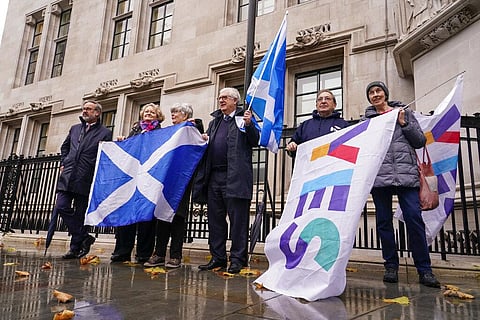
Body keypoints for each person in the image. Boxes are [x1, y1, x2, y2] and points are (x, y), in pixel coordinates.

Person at [363, 81, 440, 288]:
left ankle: (424, 270)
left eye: (378, 91)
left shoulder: (404, 113)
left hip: (407, 177)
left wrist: (404, 123)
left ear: (385, 94)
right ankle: (391, 266)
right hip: (380, 179)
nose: (375, 94)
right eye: (371, 92)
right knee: (384, 223)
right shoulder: (367, 120)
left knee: (414, 220)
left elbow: (420, 141)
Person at [193, 87, 259, 273]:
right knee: (215, 220)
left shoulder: (244, 118)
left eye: (225, 98)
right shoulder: (214, 123)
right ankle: (218, 257)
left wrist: (249, 125)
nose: (221, 100)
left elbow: (255, 141)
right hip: (214, 177)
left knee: (238, 221)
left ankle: (237, 259)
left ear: (235, 101)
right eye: (220, 97)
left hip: (235, 177)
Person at [144, 103, 204, 268]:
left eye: (176, 112)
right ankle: (159, 254)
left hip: (182, 180)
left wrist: (196, 124)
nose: (173, 115)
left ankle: (176, 255)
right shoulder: (170, 132)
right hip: (165, 180)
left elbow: (199, 134)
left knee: (178, 217)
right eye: (172, 112)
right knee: (162, 216)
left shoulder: (190, 129)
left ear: (185, 115)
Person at [56, 100, 112, 259]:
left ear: (97, 113)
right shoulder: (74, 129)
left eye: (89, 109)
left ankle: (74, 248)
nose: (85, 111)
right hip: (68, 176)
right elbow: (65, 147)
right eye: (84, 108)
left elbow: (105, 156)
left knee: (80, 214)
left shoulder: (105, 133)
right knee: (61, 206)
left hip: (86, 178)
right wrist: (63, 162)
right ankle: (84, 237)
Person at [110, 103, 165, 263]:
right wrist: (123, 141)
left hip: (149, 180)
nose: (148, 114)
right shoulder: (135, 130)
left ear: (157, 116)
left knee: (146, 217)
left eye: (152, 112)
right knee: (126, 214)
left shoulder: (161, 133)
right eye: (146, 112)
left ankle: (143, 253)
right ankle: (122, 251)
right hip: (132, 179)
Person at [286, 89, 349, 156]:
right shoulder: (305, 125)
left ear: (334, 105)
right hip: (310, 165)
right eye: (320, 99)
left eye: (327, 99)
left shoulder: (343, 125)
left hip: (334, 165)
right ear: (316, 105)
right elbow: (293, 148)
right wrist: (292, 146)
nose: (323, 101)